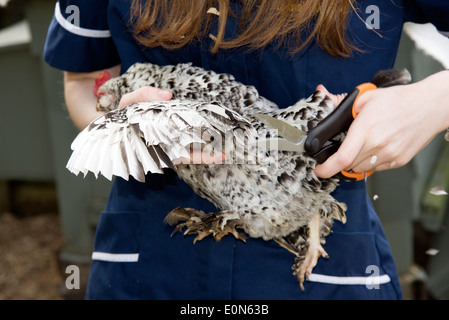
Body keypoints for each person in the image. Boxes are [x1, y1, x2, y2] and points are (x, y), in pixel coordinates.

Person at [44, 0, 449, 300]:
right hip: (150, 259)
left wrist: (433, 101)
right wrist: (120, 123)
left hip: (324, 254)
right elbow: (84, 80)